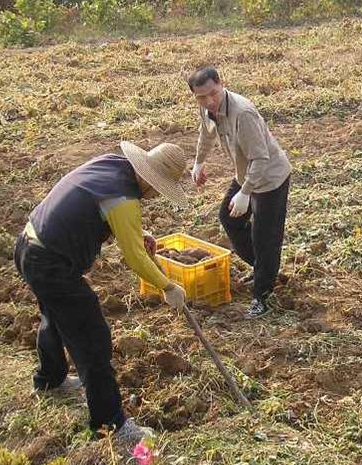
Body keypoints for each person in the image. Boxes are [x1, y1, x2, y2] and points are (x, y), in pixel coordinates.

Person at [13, 141, 190, 447]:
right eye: (158, 189)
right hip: (51, 262)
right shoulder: (123, 197)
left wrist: (136, 232)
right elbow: (135, 258)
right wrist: (169, 286)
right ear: (149, 179)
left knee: (56, 315)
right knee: (92, 338)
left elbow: (98, 208)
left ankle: (49, 381)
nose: (155, 195)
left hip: (30, 243)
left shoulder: (111, 165)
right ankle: (111, 425)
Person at [188, 66, 292, 318]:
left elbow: (261, 158)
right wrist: (199, 162)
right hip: (245, 174)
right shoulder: (207, 108)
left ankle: (262, 298)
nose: (209, 101)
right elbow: (206, 133)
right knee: (228, 218)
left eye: (213, 93)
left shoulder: (242, 113)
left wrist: (246, 193)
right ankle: (263, 270)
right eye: (202, 97)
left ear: (222, 84)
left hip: (269, 179)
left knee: (264, 238)